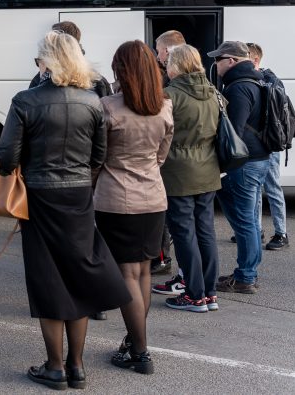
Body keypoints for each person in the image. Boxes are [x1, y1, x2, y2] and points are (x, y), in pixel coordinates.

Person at [0, 31, 130, 390]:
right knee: (78, 276)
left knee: (48, 279)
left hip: (39, 197)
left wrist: (16, 168)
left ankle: (55, 366)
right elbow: (100, 156)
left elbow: (6, 156)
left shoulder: (25, 100)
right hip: (79, 195)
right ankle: (77, 366)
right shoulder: (92, 102)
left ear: (45, 61)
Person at [94, 40, 173, 374]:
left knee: (128, 273)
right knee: (142, 271)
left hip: (116, 198)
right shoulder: (164, 106)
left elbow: (97, 158)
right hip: (153, 197)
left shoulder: (107, 107)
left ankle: (140, 351)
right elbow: (161, 155)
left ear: (121, 71)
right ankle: (134, 341)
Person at [28, 20, 115, 321]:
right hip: (80, 179)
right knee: (83, 245)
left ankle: (57, 352)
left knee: (51, 256)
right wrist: (86, 172)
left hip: (42, 182)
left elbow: (15, 148)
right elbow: (100, 149)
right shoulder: (96, 84)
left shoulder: (34, 90)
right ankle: (93, 303)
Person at [156, 45, 221, 312]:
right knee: (206, 232)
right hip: (209, 170)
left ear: (177, 66)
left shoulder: (169, 95)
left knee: (184, 234)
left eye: (169, 61)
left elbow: (159, 132)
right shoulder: (214, 92)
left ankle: (194, 294)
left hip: (178, 173)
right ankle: (210, 293)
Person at [209, 40, 269, 294]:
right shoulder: (259, 80)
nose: (215, 64)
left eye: (218, 60)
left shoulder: (238, 87)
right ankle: (248, 273)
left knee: (244, 221)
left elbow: (234, 130)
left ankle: (245, 276)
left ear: (231, 61)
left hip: (244, 164)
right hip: (259, 159)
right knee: (250, 221)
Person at [150, 29, 188, 275]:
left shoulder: (170, 86)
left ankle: (163, 259)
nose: (157, 54)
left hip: (173, 160)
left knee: (168, 217)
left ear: (167, 51)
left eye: (158, 49)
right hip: (189, 162)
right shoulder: (199, 82)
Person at [245, 43, 289, 251]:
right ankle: (258, 230)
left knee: (272, 188)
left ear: (255, 60)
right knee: (256, 190)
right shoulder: (254, 80)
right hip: (258, 144)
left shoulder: (268, 81)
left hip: (268, 143)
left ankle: (281, 233)